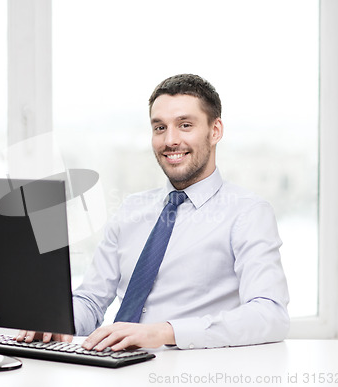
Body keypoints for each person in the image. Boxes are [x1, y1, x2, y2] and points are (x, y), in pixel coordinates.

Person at [16, 74, 290, 351]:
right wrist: (58, 322)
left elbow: (270, 314)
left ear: (215, 130)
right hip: (114, 367)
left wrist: (164, 332)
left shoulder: (248, 213)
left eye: (185, 125)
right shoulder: (132, 209)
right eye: (160, 127)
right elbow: (91, 299)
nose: (170, 140)